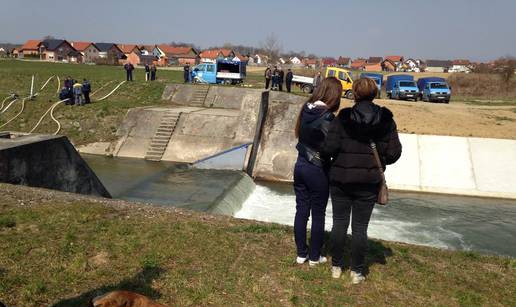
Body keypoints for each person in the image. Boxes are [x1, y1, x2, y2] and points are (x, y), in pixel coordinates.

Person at [322, 78, 402, 284]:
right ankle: (357, 272)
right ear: (374, 93)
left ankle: (336, 266)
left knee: (339, 223)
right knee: (360, 228)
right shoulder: (386, 120)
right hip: (368, 181)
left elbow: (329, 148)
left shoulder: (344, 117)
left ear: (355, 94)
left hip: (341, 178)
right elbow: (394, 153)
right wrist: (380, 158)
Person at [293, 77, 343, 267]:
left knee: (301, 210)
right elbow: (332, 147)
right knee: (318, 214)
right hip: (317, 169)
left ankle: (301, 254)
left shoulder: (306, 109)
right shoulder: (328, 117)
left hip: (300, 165)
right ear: (334, 96)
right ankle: (314, 257)